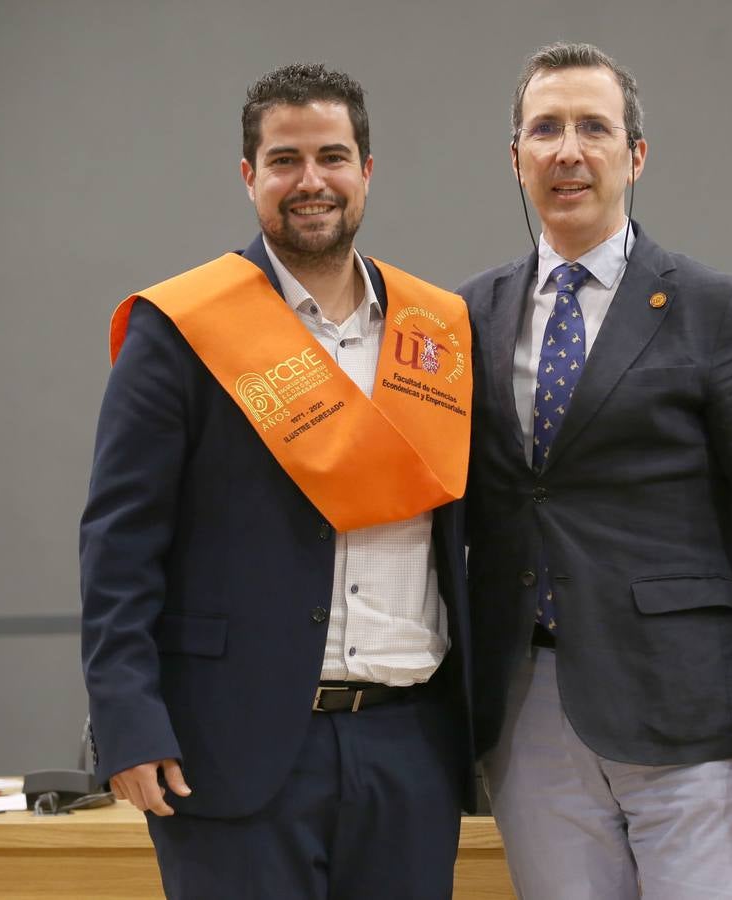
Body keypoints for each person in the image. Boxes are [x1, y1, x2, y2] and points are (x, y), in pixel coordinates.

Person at [80, 63, 475, 900]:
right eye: (285, 159)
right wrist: (126, 720)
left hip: (410, 744)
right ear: (249, 175)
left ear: (366, 172)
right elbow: (120, 542)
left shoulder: (437, 331)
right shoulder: (183, 328)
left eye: (332, 156)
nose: (311, 181)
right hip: (231, 741)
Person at [459, 42, 732, 899]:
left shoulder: (716, 309)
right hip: (529, 707)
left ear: (636, 155)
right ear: (515, 158)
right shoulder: (465, 315)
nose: (569, 151)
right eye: (545, 129)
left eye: (594, 127)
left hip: (690, 706)